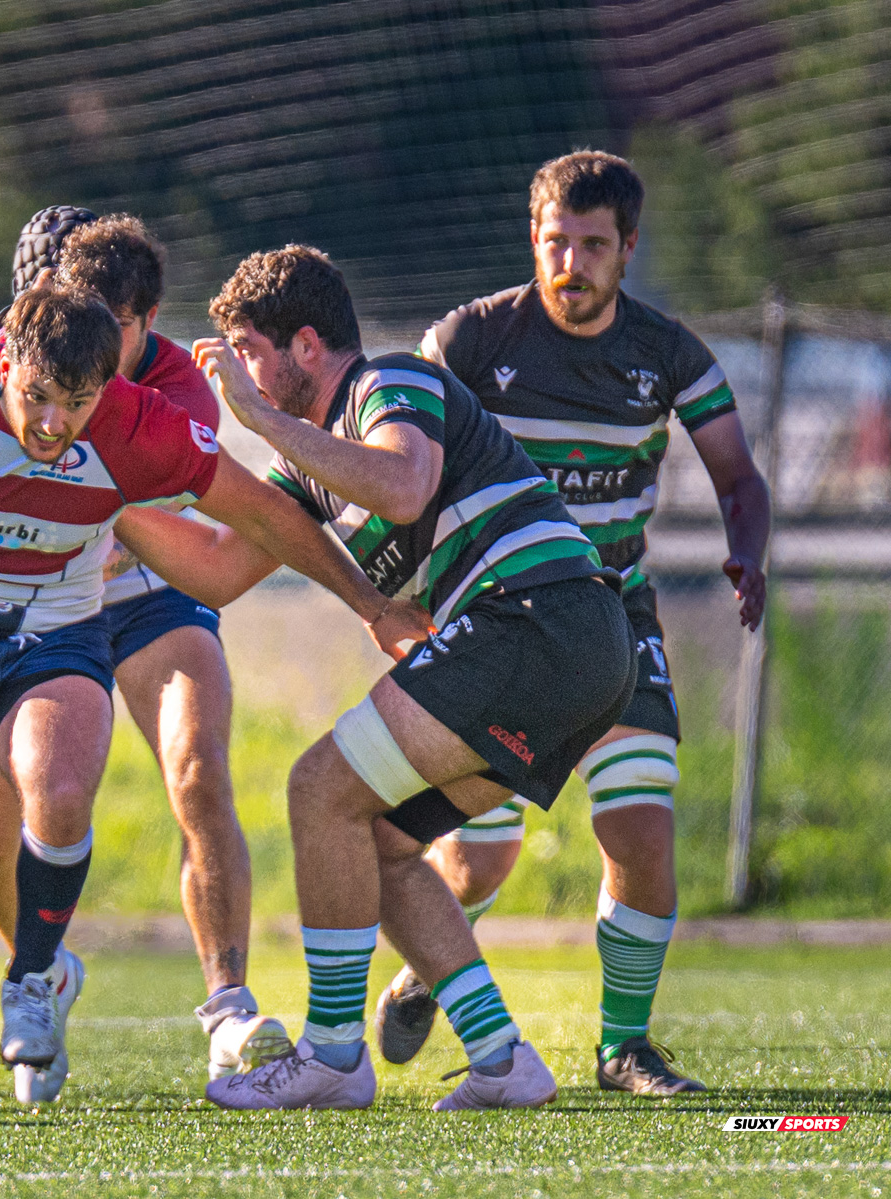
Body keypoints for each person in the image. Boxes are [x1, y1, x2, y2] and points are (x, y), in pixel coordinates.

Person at [0, 283, 427, 1112]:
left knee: (62, 794)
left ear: (105, 389)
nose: (50, 425)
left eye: (74, 404)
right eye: (34, 397)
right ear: (4, 364)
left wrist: (371, 603)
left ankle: (35, 975)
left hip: (57, 628)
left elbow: (264, 516)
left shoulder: (139, 429)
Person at [115, 244, 636, 1111]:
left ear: (307, 345)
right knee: (384, 841)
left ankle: (330, 1054)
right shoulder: (316, 466)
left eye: (248, 351)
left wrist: (257, 417)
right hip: (564, 646)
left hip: (536, 617)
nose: (239, 374)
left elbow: (403, 484)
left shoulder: (391, 381)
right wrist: (111, 497)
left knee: (320, 789)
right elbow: (214, 570)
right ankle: (504, 1058)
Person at [372, 151, 768, 1096]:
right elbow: (401, 467)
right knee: (474, 862)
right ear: (534, 239)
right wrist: (392, 596)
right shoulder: (468, 340)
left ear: (628, 248)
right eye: (557, 242)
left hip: (615, 615)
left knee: (642, 833)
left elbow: (738, 476)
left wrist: (748, 548)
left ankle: (622, 1045)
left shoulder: (669, 352)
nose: (572, 263)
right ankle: (422, 965)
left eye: (594, 245)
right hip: (494, 620)